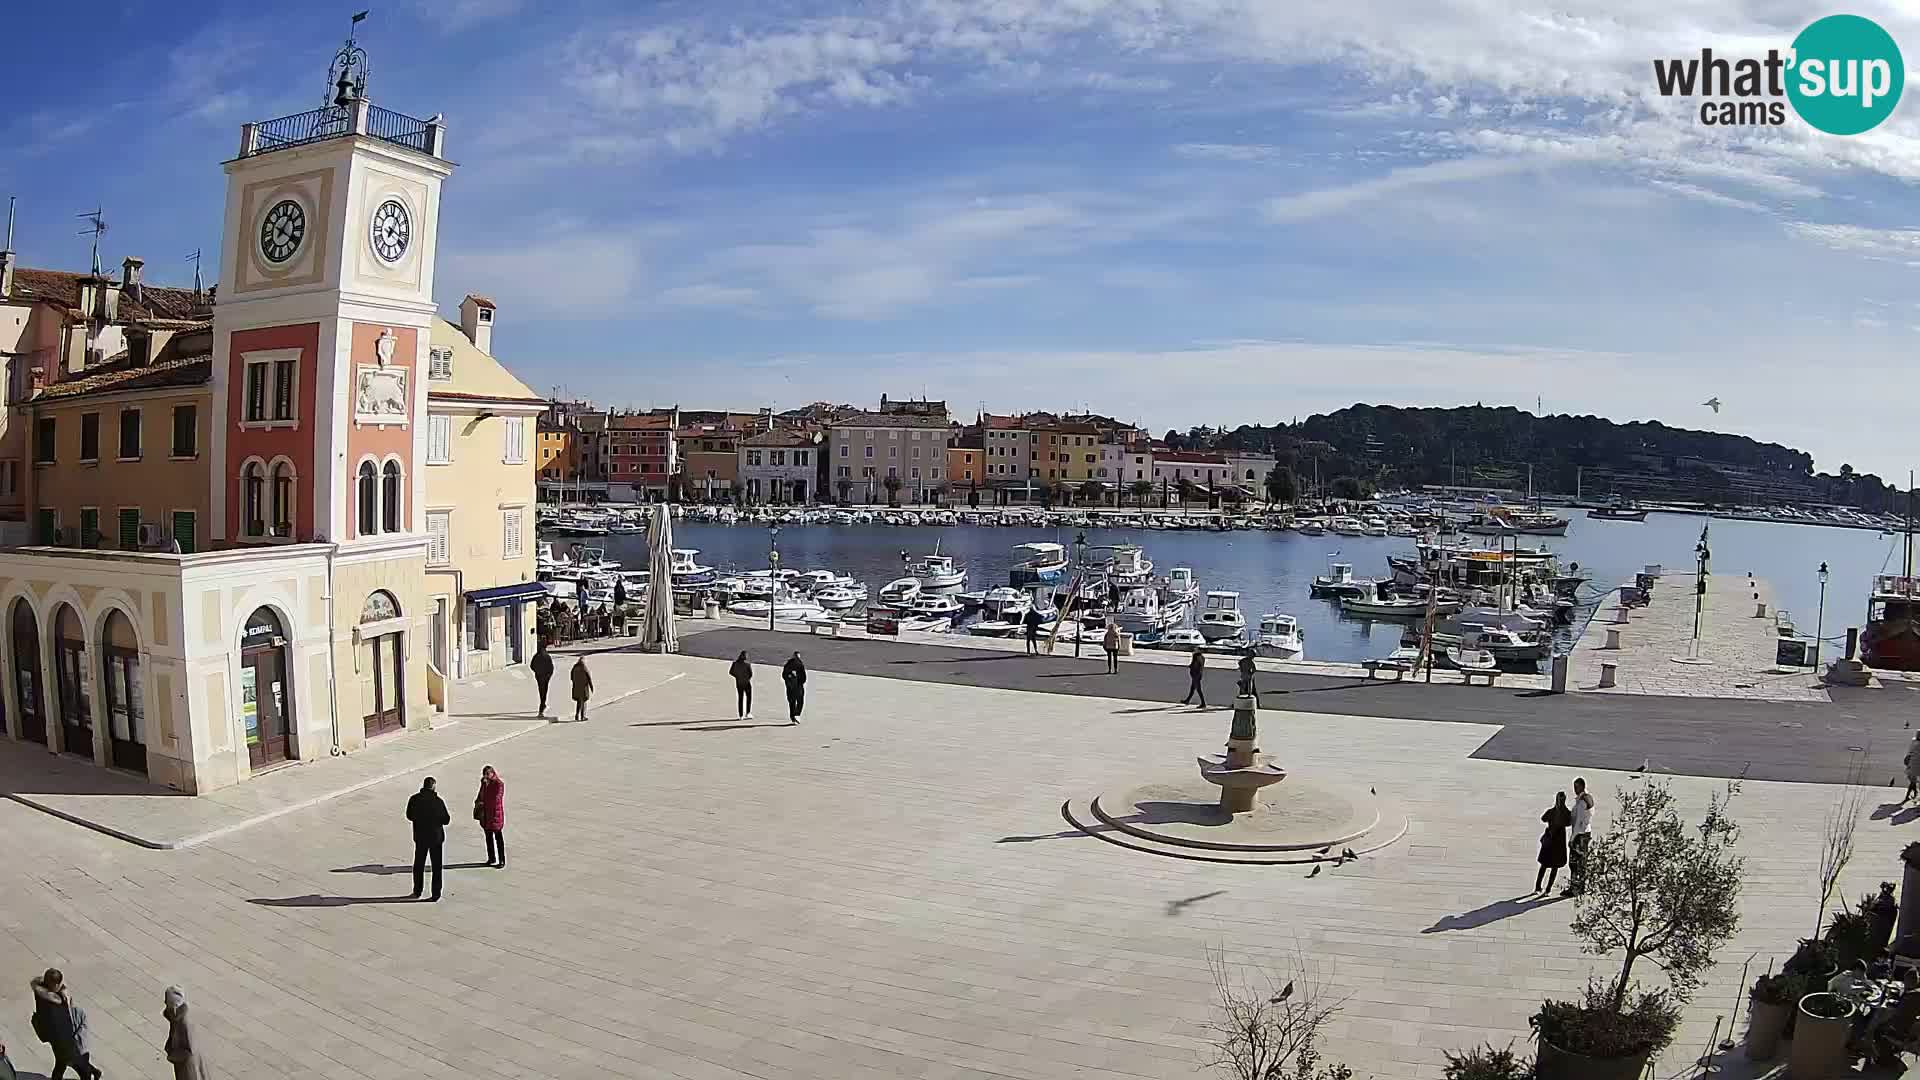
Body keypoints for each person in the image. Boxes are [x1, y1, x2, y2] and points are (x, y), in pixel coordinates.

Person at [29, 968, 99, 1080]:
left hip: (55, 1040)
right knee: (81, 1069)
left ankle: (95, 1071)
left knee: (60, 1065)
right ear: (55, 984)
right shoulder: (56, 1005)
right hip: (65, 1042)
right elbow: (64, 1025)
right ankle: (94, 1072)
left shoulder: (40, 993)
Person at [407, 777, 451, 901]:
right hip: (435, 838)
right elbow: (446, 820)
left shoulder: (414, 799)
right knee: (436, 866)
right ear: (433, 787)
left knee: (419, 864)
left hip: (420, 837)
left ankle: (417, 890)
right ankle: (436, 893)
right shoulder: (438, 802)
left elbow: (409, 815)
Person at [162, 985, 211, 1080]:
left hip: (189, 1069)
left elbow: (189, 1050)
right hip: (186, 1066)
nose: (165, 1003)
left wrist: (172, 1055)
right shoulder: (177, 1018)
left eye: (167, 1002)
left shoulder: (184, 1022)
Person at [1535, 790, 1573, 895]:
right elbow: (1569, 822)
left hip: (1550, 840)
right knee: (1554, 867)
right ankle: (1548, 889)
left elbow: (1543, 818)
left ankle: (1538, 887)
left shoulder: (1551, 812)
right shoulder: (1566, 813)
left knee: (1544, 865)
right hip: (1559, 842)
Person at [1563, 777, 1595, 897]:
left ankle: (1574, 888)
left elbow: (1578, 823)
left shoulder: (1582, 802)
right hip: (1586, 833)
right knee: (1582, 862)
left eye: (1576, 787)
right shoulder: (1588, 797)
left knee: (1574, 862)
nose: (1575, 789)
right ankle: (1581, 887)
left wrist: (1572, 839)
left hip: (1580, 835)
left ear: (1581, 786)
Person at [475, 765, 507, 869]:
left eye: (487, 774)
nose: (486, 776)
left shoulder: (499, 784)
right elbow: (481, 794)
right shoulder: (484, 783)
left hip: (495, 815)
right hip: (486, 815)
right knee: (488, 838)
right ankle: (491, 858)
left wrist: (485, 803)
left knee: (498, 839)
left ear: (492, 773)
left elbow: (498, 798)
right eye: (484, 774)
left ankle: (502, 860)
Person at [530, 639, 555, 718]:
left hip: (539, 677)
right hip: (546, 677)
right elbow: (551, 668)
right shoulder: (547, 656)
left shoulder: (536, 656)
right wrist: (549, 675)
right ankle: (541, 708)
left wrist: (537, 672)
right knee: (544, 691)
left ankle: (543, 704)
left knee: (541, 691)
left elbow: (532, 666)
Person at [782, 651, 806, 725]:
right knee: (800, 701)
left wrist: (788, 682)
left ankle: (793, 717)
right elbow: (803, 677)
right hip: (798, 686)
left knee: (792, 702)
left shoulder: (787, 664)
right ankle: (797, 714)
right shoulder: (800, 664)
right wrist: (800, 683)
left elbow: (784, 675)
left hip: (790, 687)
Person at [730, 651, 753, 719]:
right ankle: (748, 713)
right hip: (746, 683)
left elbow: (731, 672)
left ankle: (741, 715)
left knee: (740, 698)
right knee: (748, 697)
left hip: (739, 683)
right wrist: (746, 678)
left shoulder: (735, 663)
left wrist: (737, 676)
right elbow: (750, 674)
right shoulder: (747, 665)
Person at [570, 655, 593, 722]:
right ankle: (583, 716)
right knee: (584, 702)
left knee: (579, 702)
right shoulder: (584, 668)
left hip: (576, 687)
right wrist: (591, 687)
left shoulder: (574, 667)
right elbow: (589, 678)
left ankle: (577, 715)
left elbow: (571, 677)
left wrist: (575, 682)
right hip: (583, 687)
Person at [1905, 732, 1920, 801]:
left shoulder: (1914, 743)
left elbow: (1909, 754)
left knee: (1912, 781)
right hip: (1915, 765)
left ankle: (1910, 796)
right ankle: (1914, 794)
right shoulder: (1915, 743)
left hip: (1912, 765)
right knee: (1913, 782)